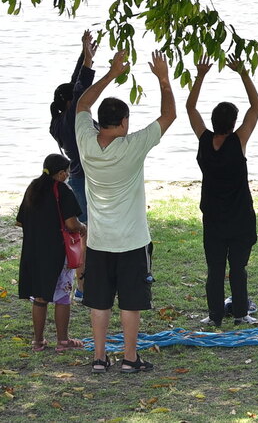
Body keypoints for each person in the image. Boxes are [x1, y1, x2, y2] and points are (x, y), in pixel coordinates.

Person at [76, 49, 176, 374]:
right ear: (123, 123)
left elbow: (81, 105)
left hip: (100, 240)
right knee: (131, 301)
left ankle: (99, 358)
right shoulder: (133, 146)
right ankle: (130, 358)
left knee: (99, 302)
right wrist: (162, 77)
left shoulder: (86, 142)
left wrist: (110, 73)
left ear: (99, 122)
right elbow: (169, 116)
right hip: (131, 240)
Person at [185, 56, 258, 326]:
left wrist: (201, 74)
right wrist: (242, 73)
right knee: (238, 269)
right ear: (233, 123)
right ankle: (240, 313)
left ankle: (215, 315)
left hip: (214, 219)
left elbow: (190, 107)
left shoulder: (204, 140)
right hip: (240, 218)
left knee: (215, 270)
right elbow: (256, 105)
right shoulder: (238, 141)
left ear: (214, 121)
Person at [17, 154, 86, 352]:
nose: (68, 175)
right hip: (57, 250)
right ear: (62, 173)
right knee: (63, 295)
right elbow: (71, 223)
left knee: (40, 296)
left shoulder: (33, 187)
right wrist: (82, 228)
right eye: (67, 171)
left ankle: (38, 341)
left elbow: (20, 220)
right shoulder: (62, 190)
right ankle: (63, 341)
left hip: (34, 250)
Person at [49, 30, 98, 225]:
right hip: (84, 181)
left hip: (78, 178)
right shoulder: (71, 118)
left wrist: (85, 57)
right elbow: (80, 88)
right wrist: (87, 59)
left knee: (87, 227)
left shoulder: (59, 120)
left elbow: (74, 83)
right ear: (71, 103)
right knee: (87, 228)